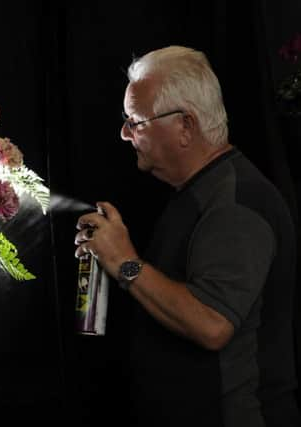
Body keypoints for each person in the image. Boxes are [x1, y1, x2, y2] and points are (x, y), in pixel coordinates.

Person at [74, 46, 300, 427]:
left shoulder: (236, 204)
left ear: (186, 126)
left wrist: (124, 262)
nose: (125, 133)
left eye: (136, 121)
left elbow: (212, 324)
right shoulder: (200, 191)